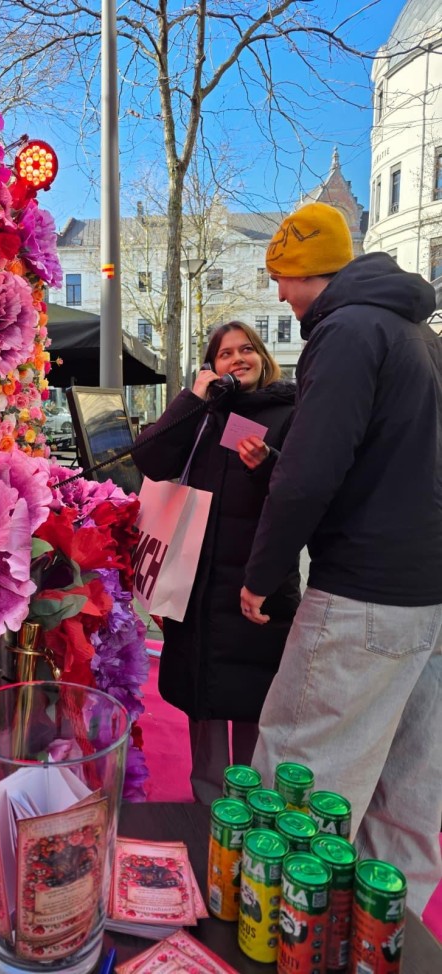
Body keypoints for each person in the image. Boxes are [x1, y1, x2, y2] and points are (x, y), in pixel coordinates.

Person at [239, 201, 442, 915]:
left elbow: (313, 472)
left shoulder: (346, 330)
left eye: (282, 279)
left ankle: (281, 936)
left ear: (302, 268)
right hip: (429, 596)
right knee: (410, 794)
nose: (280, 296)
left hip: (365, 595)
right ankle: (385, 945)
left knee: (300, 771)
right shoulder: (417, 334)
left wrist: (262, 575)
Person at [133, 321, 300, 805]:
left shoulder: (290, 410)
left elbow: (308, 490)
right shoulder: (204, 415)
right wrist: (192, 398)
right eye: (225, 354)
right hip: (197, 587)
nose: (237, 359)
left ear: (263, 356)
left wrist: (269, 463)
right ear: (213, 365)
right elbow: (150, 459)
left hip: (257, 586)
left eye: (246, 349)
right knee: (203, 700)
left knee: (253, 701)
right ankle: (206, 804)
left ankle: (250, 803)